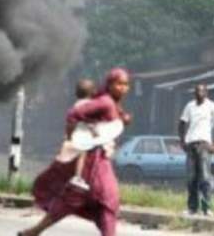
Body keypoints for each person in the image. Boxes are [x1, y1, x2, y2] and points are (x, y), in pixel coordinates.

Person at [19, 68, 132, 236]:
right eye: (119, 84)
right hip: (92, 161)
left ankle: (34, 231)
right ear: (110, 85)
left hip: (98, 160)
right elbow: (74, 114)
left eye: (126, 84)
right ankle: (34, 231)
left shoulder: (112, 103)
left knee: (80, 200)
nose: (124, 88)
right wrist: (73, 140)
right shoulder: (105, 102)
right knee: (104, 199)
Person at [178, 84, 214, 216]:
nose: (198, 93)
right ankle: (192, 208)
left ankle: (207, 208)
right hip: (191, 145)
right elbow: (182, 123)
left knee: (205, 178)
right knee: (191, 178)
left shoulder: (212, 106)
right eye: (196, 91)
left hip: (204, 145)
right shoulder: (190, 106)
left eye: (201, 91)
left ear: (206, 93)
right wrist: (182, 141)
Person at [68, 79, 98, 192]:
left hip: (76, 133)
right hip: (82, 135)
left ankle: (76, 177)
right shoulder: (87, 105)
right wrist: (94, 131)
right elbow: (88, 120)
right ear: (91, 92)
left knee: (78, 156)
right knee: (82, 155)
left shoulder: (77, 103)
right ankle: (77, 177)